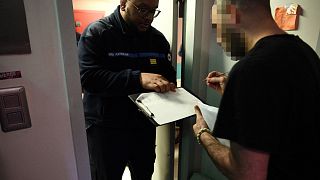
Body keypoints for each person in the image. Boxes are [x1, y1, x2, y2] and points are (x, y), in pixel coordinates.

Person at [193, 0, 320, 179]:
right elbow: (286, 117)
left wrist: (203, 133)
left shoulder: (250, 69)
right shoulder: (306, 53)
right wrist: (237, 96)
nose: (218, 39)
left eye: (216, 26)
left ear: (231, 14)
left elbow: (247, 174)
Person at [77, 0, 176, 179]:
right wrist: (137, 78)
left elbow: (167, 74)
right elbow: (88, 78)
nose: (148, 17)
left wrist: (167, 84)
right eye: (142, 9)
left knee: (144, 174)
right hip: (106, 129)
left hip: (143, 127)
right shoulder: (97, 33)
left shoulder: (158, 40)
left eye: (153, 11)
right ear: (123, 3)